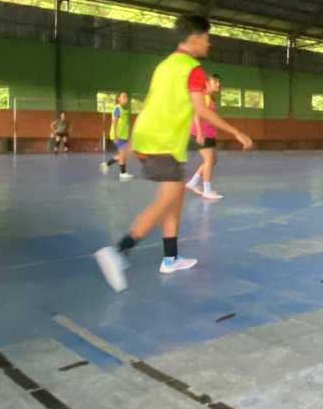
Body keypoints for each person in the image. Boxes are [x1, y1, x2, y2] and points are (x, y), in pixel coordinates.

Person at [94, 15, 253, 293]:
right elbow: (202, 110)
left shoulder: (165, 65)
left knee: (175, 197)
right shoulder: (192, 69)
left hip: (151, 138)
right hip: (162, 142)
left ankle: (170, 258)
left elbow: (155, 103)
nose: (209, 42)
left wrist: (131, 143)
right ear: (194, 39)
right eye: (206, 37)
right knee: (167, 199)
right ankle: (119, 252)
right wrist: (237, 132)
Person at [186, 74, 224, 200]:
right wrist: (199, 132)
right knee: (209, 160)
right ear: (206, 83)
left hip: (209, 133)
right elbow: (196, 115)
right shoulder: (204, 97)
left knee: (213, 160)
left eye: (218, 81)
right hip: (203, 134)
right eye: (215, 81)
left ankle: (193, 182)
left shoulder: (210, 98)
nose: (218, 84)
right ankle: (207, 190)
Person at [101, 92, 134, 181]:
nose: (125, 98)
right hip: (117, 136)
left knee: (123, 155)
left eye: (126, 96)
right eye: (123, 97)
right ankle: (122, 173)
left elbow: (127, 124)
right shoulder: (117, 108)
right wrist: (115, 135)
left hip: (124, 136)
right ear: (118, 99)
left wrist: (129, 135)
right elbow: (114, 122)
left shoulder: (126, 109)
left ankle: (107, 164)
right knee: (123, 154)